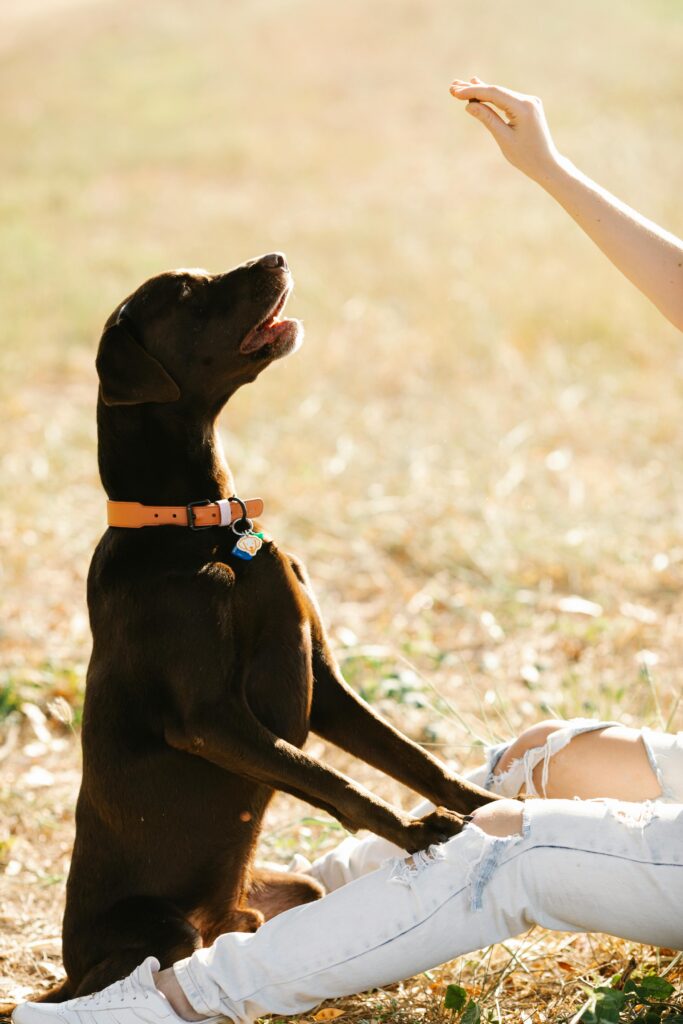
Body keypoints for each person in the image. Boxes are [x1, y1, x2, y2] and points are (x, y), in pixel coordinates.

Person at [12, 81, 683, 1024]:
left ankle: (145, 1007)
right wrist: (549, 168)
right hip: (165, 887)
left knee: (499, 848)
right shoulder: (180, 560)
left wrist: (372, 808)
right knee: (532, 760)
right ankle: (303, 900)